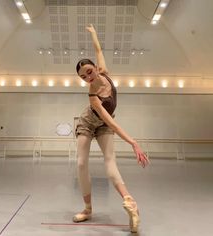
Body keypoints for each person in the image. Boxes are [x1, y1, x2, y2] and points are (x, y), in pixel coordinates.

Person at [74, 24, 149, 233]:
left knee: (110, 162)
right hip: (88, 123)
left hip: (104, 124)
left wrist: (94, 33)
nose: (88, 77)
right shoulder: (92, 95)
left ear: (96, 68)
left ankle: (130, 201)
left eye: (89, 72)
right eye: (83, 77)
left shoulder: (105, 74)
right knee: (81, 163)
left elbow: (98, 51)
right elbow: (112, 123)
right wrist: (133, 142)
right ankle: (87, 209)